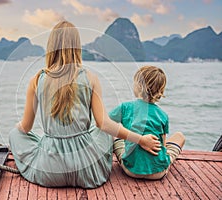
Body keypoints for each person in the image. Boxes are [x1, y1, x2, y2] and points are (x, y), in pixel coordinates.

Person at [9, 21, 161, 188]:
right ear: (77, 46)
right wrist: (140, 140)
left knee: (15, 134)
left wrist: (27, 133)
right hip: (87, 171)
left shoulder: (37, 80)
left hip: (50, 172)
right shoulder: (90, 77)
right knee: (103, 129)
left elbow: (26, 127)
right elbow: (103, 124)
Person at [109, 66, 185, 180]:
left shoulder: (125, 107)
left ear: (139, 86)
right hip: (158, 172)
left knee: (117, 137)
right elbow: (162, 146)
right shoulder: (163, 115)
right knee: (179, 136)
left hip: (131, 170)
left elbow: (104, 122)